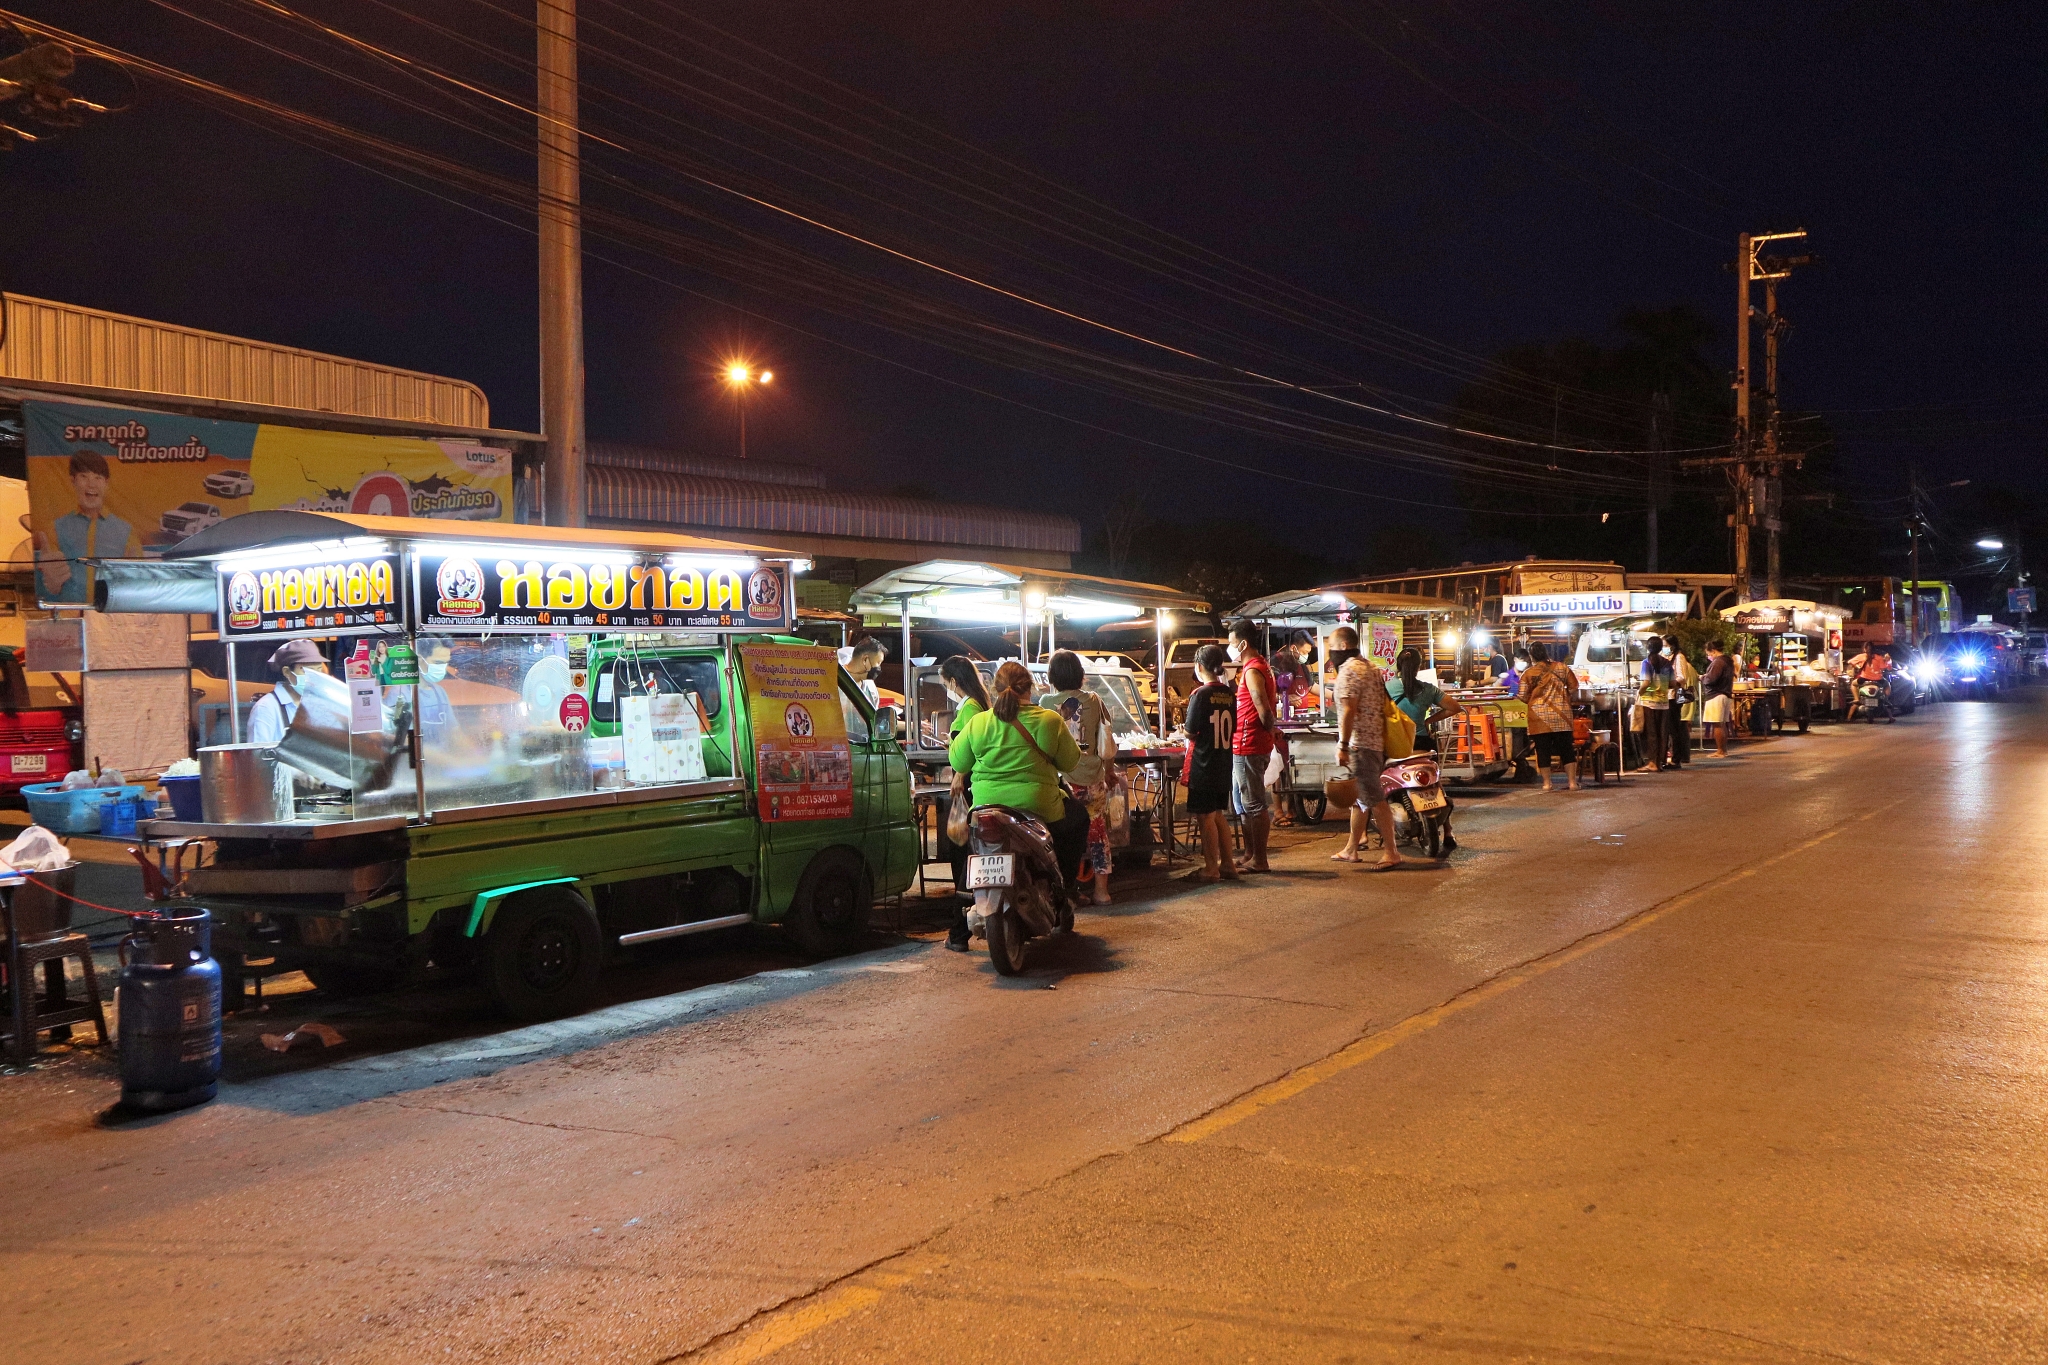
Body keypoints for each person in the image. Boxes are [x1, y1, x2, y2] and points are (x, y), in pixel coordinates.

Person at [948, 660, 1089, 893]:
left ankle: (959, 924)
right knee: (1078, 818)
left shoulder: (978, 722)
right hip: (1039, 805)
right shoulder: (1050, 721)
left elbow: (958, 762)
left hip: (986, 805)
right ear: (1029, 688)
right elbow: (1070, 762)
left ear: (996, 689)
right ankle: (1065, 888)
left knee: (975, 851)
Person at [1040, 650, 1123, 906]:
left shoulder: (1045, 702)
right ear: (1080, 674)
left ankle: (1066, 892)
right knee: (1098, 834)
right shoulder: (1095, 700)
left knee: (1058, 838)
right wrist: (1109, 770)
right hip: (1092, 778)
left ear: (1052, 675)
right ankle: (1101, 892)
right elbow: (1107, 739)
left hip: (1061, 782)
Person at [1329, 627, 1401, 871]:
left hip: (1361, 744)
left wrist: (1343, 745)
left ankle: (1391, 851)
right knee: (1360, 799)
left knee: (1375, 798)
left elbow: (1349, 710)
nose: (1329, 651)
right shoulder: (1371, 668)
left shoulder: (1349, 671)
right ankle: (1351, 848)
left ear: (1342, 646)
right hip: (1375, 742)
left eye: (1331, 645)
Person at [35, 449, 142, 604]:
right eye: (84, 476)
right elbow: (44, 590)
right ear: (73, 480)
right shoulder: (55, 529)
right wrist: (49, 585)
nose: (91, 484)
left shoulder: (126, 531)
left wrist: (134, 577)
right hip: (71, 618)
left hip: (110, 621)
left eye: (98, 477)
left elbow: (137, 584)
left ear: (106, 483)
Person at [938, 656, 993, 951]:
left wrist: (959, 773)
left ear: (954, 682)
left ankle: (959, 932)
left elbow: (968, 750)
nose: (945, 688)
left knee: (964, 860)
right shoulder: (977, 705)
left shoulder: (970, 708)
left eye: (945, 683)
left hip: (972, 790)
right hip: (979, 787)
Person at [1178, 644, 1240, 883]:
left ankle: (1211, 868)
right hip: (1223, 762)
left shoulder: (1200, 694)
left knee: (1205, 817)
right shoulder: (1228, 694)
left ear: (1199, 666)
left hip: (1203, 764)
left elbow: (1190, 732)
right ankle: (1228, 864)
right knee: (1218, 815)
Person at [1226, 620, 1278, 873]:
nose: (1230, 647)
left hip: (1249, 744)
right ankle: (1250, 853)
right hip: (1245, 743)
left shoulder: (1252, 670)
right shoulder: (1259, 667)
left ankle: (1261, 859)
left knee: (1254, 803)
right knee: (1243, 801)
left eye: (1232, 643)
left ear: (1243, 643)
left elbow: (1263, 708)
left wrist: (1267, 732)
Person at [1519, 641, 1581, 792]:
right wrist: (1564, 696)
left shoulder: (1528, 673)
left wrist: (1531, 699)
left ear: (1531, 656)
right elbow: (1574, 686)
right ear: (1546, 652)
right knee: (1566, 749)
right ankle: (1572, 783)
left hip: (1539, 718)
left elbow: (1522, 695)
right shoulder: (1562, 667)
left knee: (1542, 750)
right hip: (1562, 715)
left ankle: (1547, 784)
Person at [248, 639, 329, 745]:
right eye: (306, 670)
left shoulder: (319, 704)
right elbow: (257, 756)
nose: (314, 676)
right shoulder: (266, 708)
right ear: (286, 672)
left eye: (318, 670)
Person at [1387, 647, 1462, 752]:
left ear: (1398, 665)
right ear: (1418, 668)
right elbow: (1455, 707)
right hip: (1420, 743)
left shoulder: (1386, 687)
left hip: (1394, 744)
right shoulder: (1429, 689)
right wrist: (1428, 721)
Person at [1637, 635, 1676, 772]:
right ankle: (1659, 762)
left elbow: (1646, 683)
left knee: (1651, 733)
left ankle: (1652, 762)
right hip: (1664, 702)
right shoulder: (1667, 663)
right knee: (1662, 733)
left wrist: (1639, 692)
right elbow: (1673, 683)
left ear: (1648, 647)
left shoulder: (1646, 663)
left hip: (1649, 703)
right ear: (1660, 648)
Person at [1700, 639, 1737, 756]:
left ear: (1713, 651)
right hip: (1724, 694)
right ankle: (1723, 750)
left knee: (1717, 723)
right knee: (1721, 723)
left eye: (1708, 653)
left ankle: (1720, 750)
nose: (1708, 656)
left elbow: (1711, 679)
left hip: (1716, 695)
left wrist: (1702, 678)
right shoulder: (1727, 661)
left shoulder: (1718, 662)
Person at [1668, 640, 1697, 768]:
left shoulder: (1679, 658)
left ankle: (1678, 757)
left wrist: (1669, 684)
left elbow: (1681, 679)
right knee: (1678, 727)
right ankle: (1680, 756)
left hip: (1676, 696)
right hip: (1675, 696)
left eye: (1665, 645)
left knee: (1677, 728)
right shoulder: (1677, 659)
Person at [845, 636, 889, 708]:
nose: (879, 668)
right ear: (865, 660)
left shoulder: (870, 686)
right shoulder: (837, 681)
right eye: (878, 662)